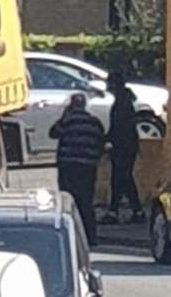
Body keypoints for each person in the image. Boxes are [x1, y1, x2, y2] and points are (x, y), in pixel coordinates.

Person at [49, 91, 106, 245]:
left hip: (68, 166)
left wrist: (64, 116)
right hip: (88, 167)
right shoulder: (94, 122)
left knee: (67, 200)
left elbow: (53, 133)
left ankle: (70, 235)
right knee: (86, 201)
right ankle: (90, 236)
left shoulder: (67, 121)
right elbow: (101, 142)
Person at [105, 70, 143, 222]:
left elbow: (120, 127)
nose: (107, 85)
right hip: (126, 145)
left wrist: (108, 139)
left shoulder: (122, 103)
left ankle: (119, 211)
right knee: (122, 178)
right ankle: (133, 210)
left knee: (121, 177)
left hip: (123, 146)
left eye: (109, 82)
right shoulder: (124, 100)